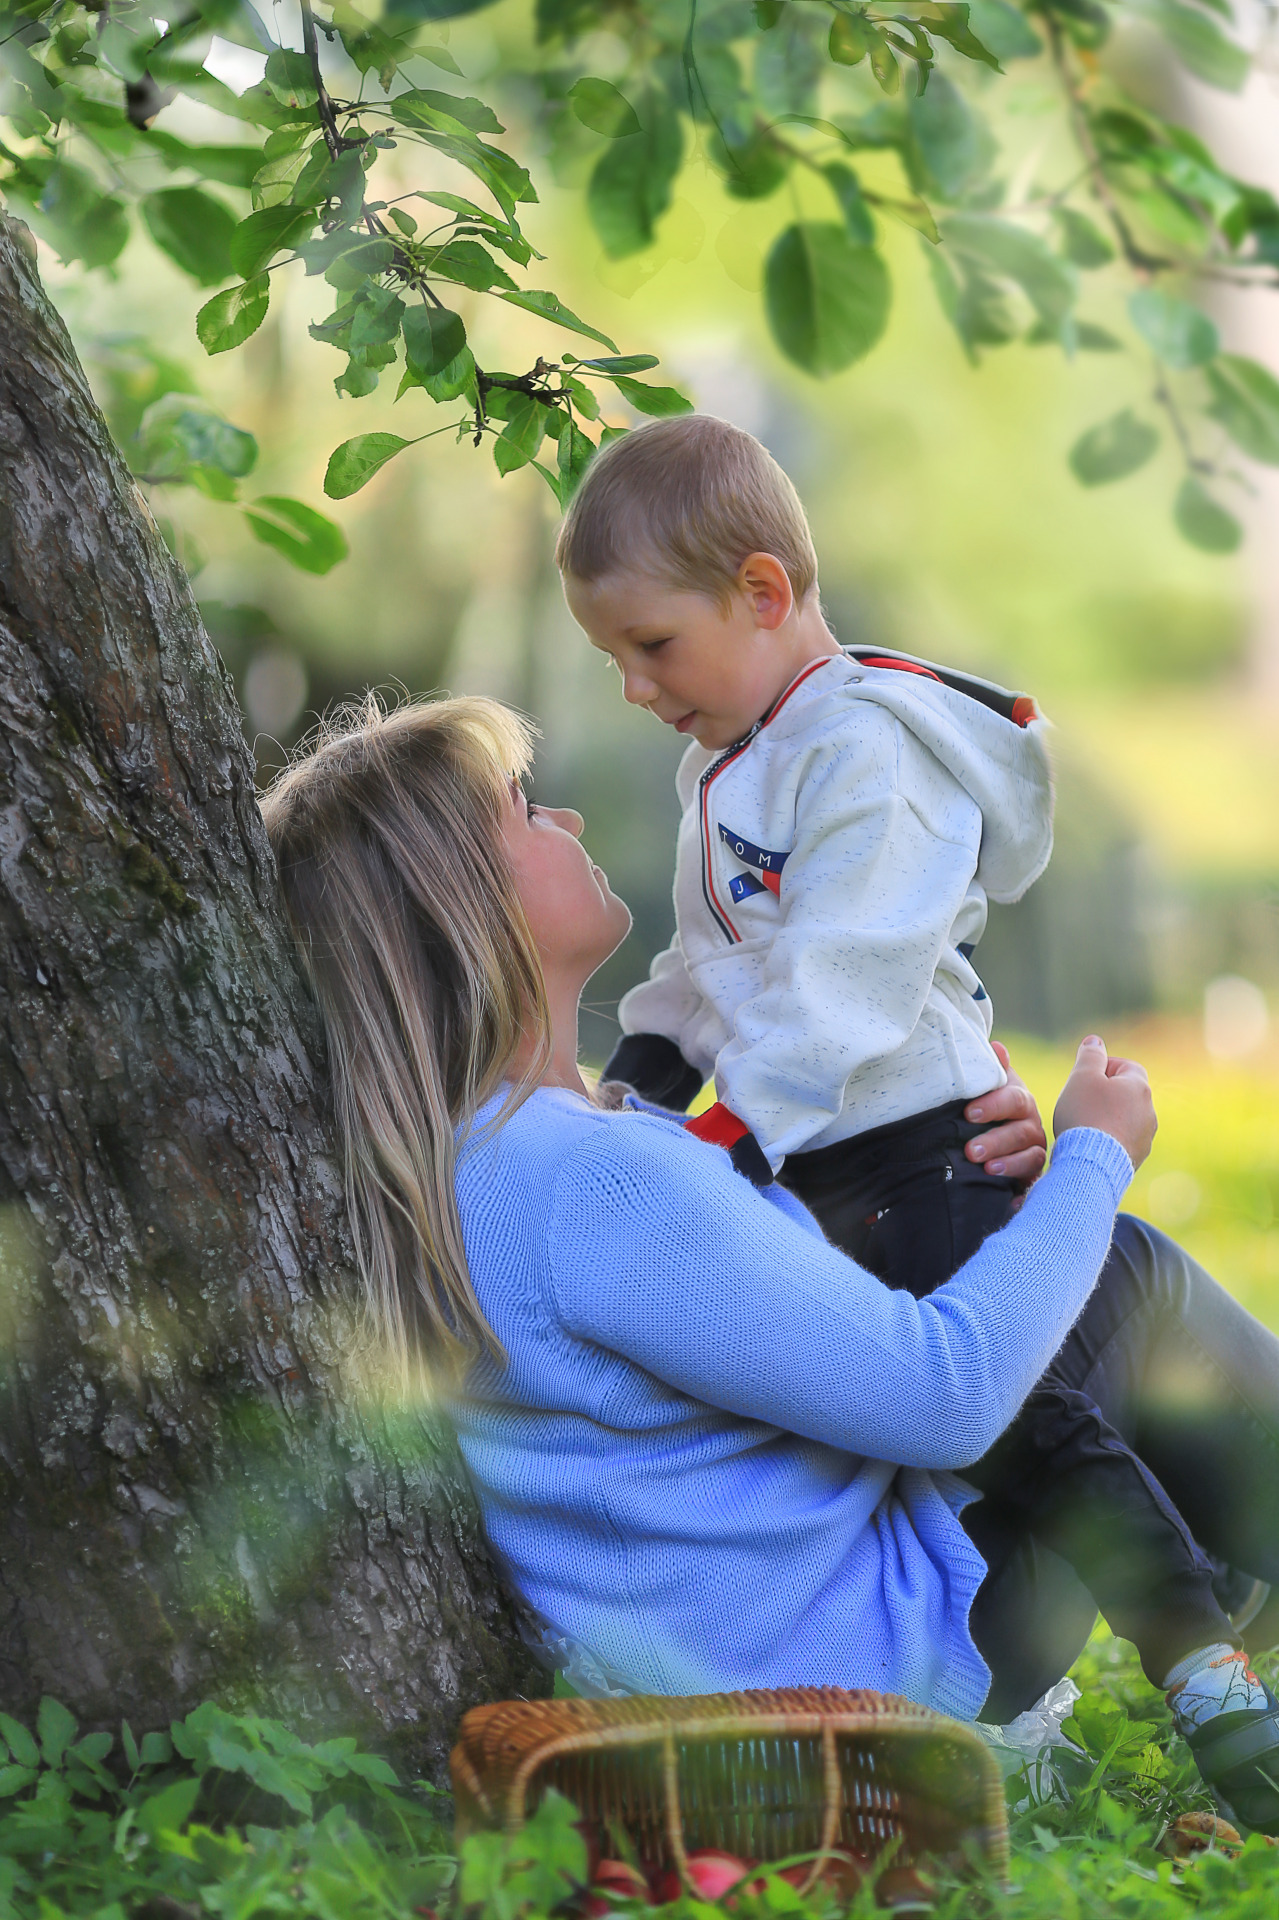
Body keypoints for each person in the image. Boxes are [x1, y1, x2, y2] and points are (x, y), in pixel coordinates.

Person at [263, 694, 1279, 1833]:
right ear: (458, 899)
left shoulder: (489, 1167)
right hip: (889, 1675)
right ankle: (1234, 1591)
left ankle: (1229, 1576)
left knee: (1076, 1275)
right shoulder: (586, 1180)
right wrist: (1094, 1158)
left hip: (766, 1657)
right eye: (524, 810)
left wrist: (992, 1184)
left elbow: (793, 1315)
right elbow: (945, 1396)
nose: (568, 814)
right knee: (1120, 1267)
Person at [554, 414, 1277, 1764]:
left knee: (1012, 1407)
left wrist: (709, 1145)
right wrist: (634, 1106)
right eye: (614, 659)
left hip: (917, 1159)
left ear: (760, 593)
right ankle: (1215, 1573)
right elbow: (702, 979)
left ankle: (1199, 1666)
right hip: (820, 1175)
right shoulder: (727, 761)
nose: (635, 689)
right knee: (1010, 1387)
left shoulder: (865, 758)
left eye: (649, 647)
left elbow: (839, 982)